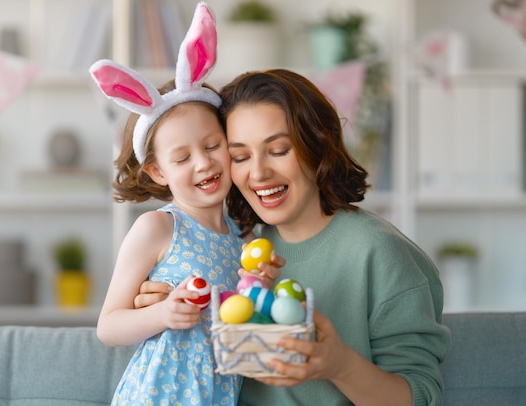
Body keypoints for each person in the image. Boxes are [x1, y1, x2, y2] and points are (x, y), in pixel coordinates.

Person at [136, 68, 452, 406]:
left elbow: (419, 397)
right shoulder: (236, 246)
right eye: (240, 156)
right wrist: (157, 306)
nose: (258, 173)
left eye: (279, 150)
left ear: (317, 146)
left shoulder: (381, 253)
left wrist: (339, 365)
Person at [88, 4, 248, 405]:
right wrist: (162, 315)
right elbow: (108, 326)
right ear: (158, 172)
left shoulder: (244, 236)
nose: (203, 162)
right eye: (182, 158)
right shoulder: (158, 228)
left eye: (213, 145)